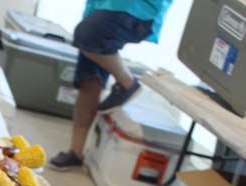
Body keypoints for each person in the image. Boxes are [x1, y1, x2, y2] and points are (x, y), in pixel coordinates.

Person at [50, 0, 173, 170]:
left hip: (135, 9)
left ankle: (127, 83)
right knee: (89, 80)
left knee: (87, 35)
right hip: (100, 6)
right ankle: (76, 153)